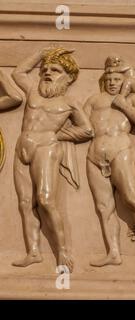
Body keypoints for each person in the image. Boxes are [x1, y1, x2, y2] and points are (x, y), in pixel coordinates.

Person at [11, 47, 93, 272]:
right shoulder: (33, 92)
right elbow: (18, 73)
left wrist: (57, 135)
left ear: (69, 77)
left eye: (55, 70)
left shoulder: (70, 102)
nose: (47, 72)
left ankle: (63, 251)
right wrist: (41, 53)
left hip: (46, 149)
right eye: (45, 69)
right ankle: (34, 252)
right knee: (26, 203)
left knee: (46, 200)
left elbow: (87, 130)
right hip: (23, 147)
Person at [84, 57, 135, 274]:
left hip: (120, 149)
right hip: (94, 155)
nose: (112, 82)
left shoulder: (133, 98)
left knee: (133, 200)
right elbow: (82, 124)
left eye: (117, 78)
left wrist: (123, 105)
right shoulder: (94, 100)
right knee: (104, 208)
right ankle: (114, 253)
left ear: (124, 80)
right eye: (109, 78)